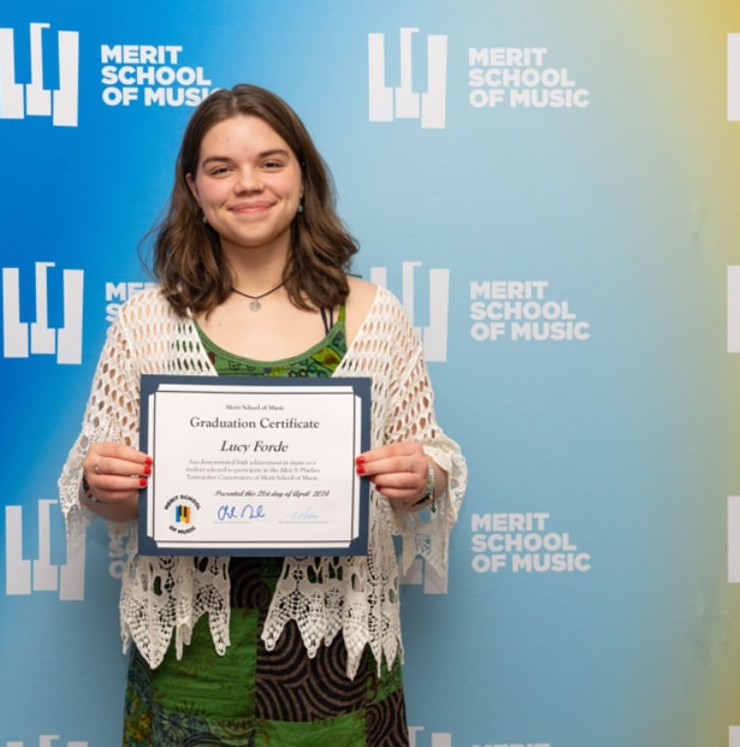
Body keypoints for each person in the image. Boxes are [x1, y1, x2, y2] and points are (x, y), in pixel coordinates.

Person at [58, 83, 467, 746]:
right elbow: (107, 495)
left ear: (304, 178)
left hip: (338, 659)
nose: (247, 184)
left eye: (271, 163)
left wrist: (423, 473)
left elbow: (433, 461)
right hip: (193, 659)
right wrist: (103, 483)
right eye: (221, 168)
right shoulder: (145, 324)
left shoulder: (374, 316)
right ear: (194, 188)